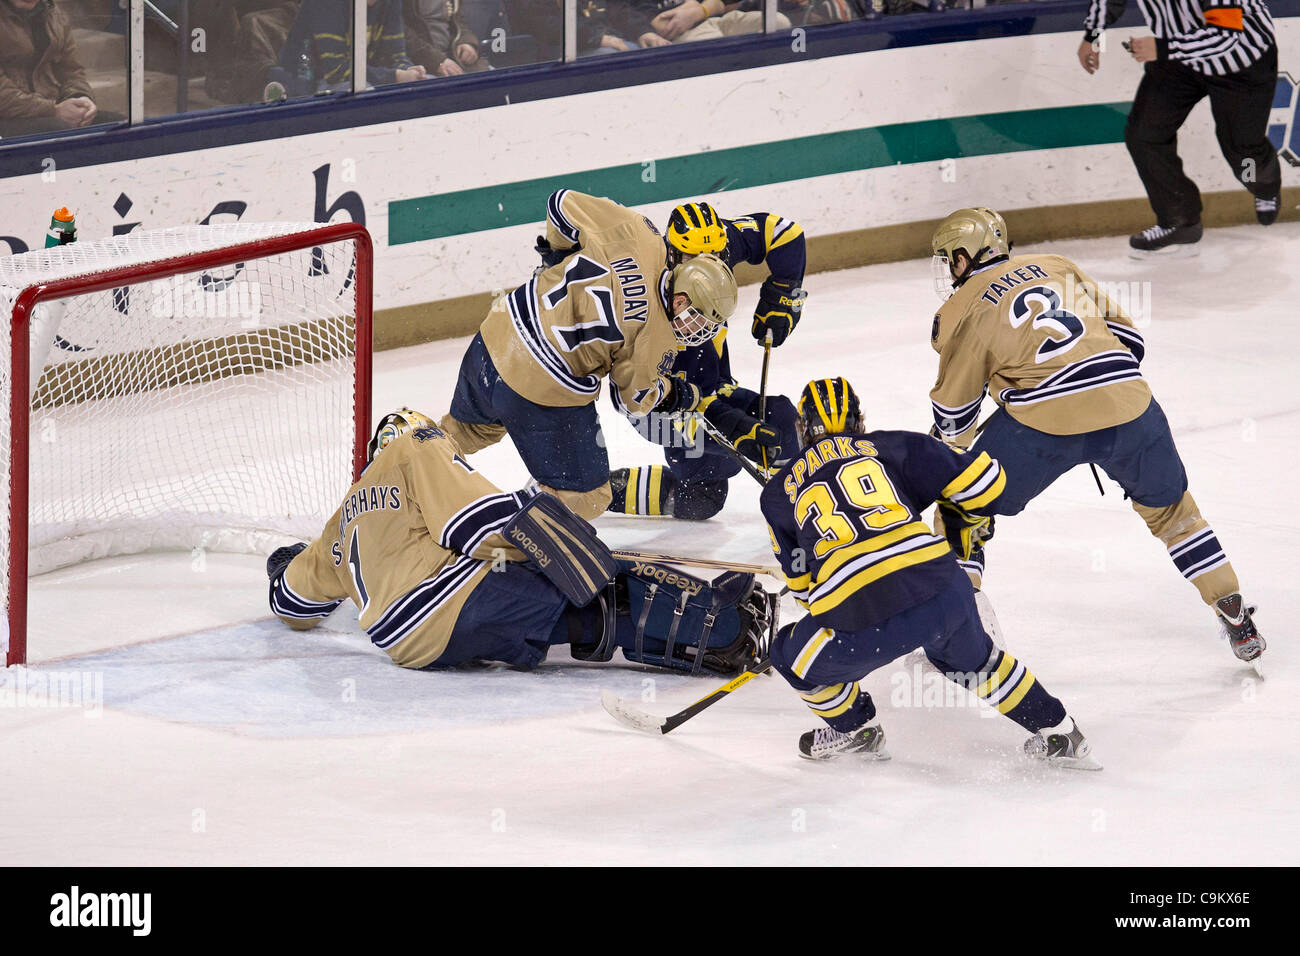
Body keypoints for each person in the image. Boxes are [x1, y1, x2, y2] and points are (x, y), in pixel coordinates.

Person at [928, 206, 1265, 667]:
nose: (950, 268)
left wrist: (952, 449)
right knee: (1174, 515)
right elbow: (1132, 341)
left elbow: (954, 415)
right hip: (1130, 405)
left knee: (962, 505)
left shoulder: (961, 307)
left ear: (966, 254)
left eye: (951, 258)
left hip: (1043, 425)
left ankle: (958, 626)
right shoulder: (1057, 264)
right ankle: (1232, 609)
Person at [267, 409, 774, 674]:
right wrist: (563, 542)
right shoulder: (415, 446)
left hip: (405, 642)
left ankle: (707, 626)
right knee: (604, 590)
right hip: (445, 602)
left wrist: (282, 565)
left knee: (580, 612)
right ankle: (726, 631)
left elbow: (293, 603)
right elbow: (477, 524)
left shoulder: (339, 522)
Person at [760, 378, 1098, 767]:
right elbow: (987, 486)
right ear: (860, 420)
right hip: (942, 588)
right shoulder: (892, 445)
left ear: (802, 429)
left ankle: (857, 731)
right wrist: (943, 479)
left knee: (788, 656)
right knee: (977, 665)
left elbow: (802, 592)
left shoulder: (776, 493)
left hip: (862, 617)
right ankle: (1061, 732)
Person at [440, 190, 738, 522]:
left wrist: (558, 255)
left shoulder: (637, 230)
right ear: (681, 299)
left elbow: (559, 202)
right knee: (587, 497)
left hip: (498, 330)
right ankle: (500, 529)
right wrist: (679, 393)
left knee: (464, 432)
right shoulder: (659, 339)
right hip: (538, 386)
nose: (695, 330)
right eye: (696, 318)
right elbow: (636, 401)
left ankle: (401, 451)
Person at [606, 201, 805, 520]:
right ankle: (590, 489)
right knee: (720, 456)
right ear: (671, 252)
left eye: (716, 256)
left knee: (705, 496)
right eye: (694, 258)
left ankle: (810, 506)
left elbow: (783, 233)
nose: (708, 266)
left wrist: (784, 293)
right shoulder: (643, 292)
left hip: (713, 388)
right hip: (658, 403)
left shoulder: (718, 245)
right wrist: (733, 428)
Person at [1077, 0, 1282, 253]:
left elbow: (1226, 37)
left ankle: (1263, 186)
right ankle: (1179, 220)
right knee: (1144, 135)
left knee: (1244, 152)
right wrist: (1094, 36)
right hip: (1178, 58)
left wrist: (1163, 48)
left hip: (1239, 62)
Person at [0, 0, 104, 137]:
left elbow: (71, 70)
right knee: (60, 131)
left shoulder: (53, 12)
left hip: (49, 106)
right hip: (9, 115)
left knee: (116, 126)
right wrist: (52, 110)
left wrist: (80, 97)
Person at [277, 0, 426, 94]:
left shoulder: (390, 3)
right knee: (364, 95)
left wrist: (407, 70)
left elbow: (396, 55)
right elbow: (336, 71)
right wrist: (396, 76)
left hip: (362, 77)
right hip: (308, 86)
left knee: (426, 84)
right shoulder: (326, 4)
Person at [403, 0, 488, 76]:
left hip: (453, 56)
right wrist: (436, 61)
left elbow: (457, 21)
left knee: (490, 79)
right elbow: (400, 33)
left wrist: (467, 42)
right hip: (420, 64)